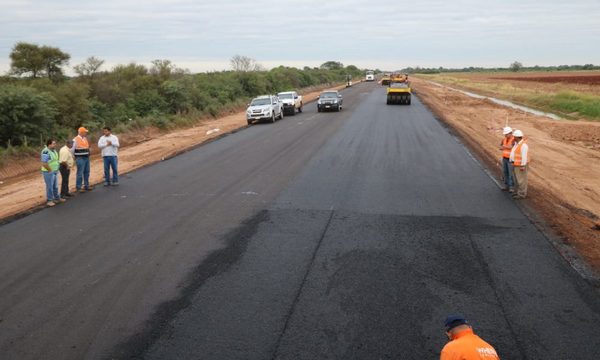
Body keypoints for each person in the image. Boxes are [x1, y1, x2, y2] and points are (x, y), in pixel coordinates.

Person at [41, 139, 65, 207]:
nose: (55, 145)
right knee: (50, 187)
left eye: (55, 143)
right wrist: (50, 170)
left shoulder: (54, 150)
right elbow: (44, 163)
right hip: (48, 172)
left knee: (55, 186)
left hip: (54, 171)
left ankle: (57, 198)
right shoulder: (45, 151)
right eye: (53, 144)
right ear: (49, 144)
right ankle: (49, 200)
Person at [509, 129, 529, 199]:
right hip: (515, 164)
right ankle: (518, 192)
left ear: (517, 137)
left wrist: (523, 166)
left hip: (520, 166)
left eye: (514, 136)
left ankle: (522, 194)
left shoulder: (523, 145)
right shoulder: (516, 144)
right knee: (517, 179)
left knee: (521, 180)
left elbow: (524, 156)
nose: (513, 138)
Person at [72, 127, 93, 192]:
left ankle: (86, 185)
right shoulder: (75, 140)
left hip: (86, 157)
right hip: (80, 158)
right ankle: (78, 187)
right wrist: (75, 157)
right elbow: (72, 150)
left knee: (87, 172)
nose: (86, 133)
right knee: (80, 173)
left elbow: (87, 147)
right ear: (81, 132)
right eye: (85, 132)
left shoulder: (85, 138)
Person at [499, 127, 516, 192]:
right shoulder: (504, 139)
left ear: (510, 133)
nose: (505, 135)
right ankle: (506, 186)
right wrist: (502, 147)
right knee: (505, 172)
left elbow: (512, 147)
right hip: (504, 158)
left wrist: (504, 147)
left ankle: (511, 187)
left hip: (510, 159)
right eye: (505, 134)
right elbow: (500, 145)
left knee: (510, 173)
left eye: (506, 134)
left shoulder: (514, 140)